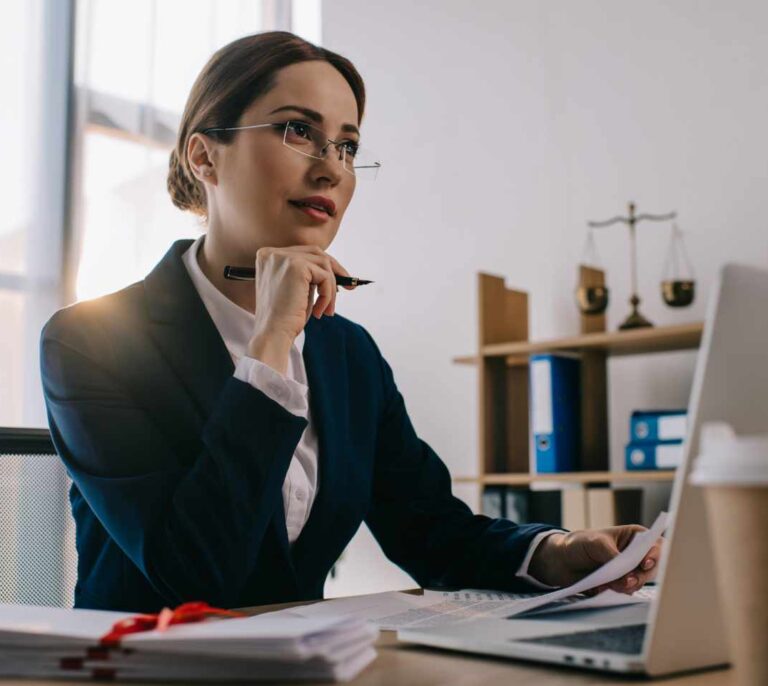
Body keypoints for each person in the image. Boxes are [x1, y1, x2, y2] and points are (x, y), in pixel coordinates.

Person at [40, 31, 660, 613]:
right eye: (296, 130)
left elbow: (431, 530)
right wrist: (271, 345)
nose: (332, 169)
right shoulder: (90, 342)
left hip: (302, 669)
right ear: (204, 155)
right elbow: (195, 572)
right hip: (144, 667)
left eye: (348, 146)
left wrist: (555, 553)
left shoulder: (347, 353)